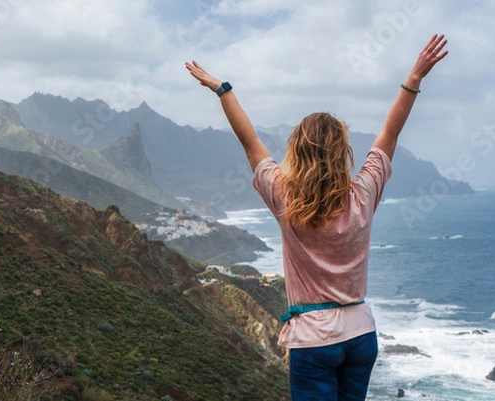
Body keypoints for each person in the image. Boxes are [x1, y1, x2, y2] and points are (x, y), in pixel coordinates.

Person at [186, 34, 448, 401]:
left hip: (313, 339)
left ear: (297, 150)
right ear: (343, 151)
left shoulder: (285, 199)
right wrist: (414, 79)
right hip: (360, 335)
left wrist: (223, 90)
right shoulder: (363, 194)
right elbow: (390, 132)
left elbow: (249, 142)